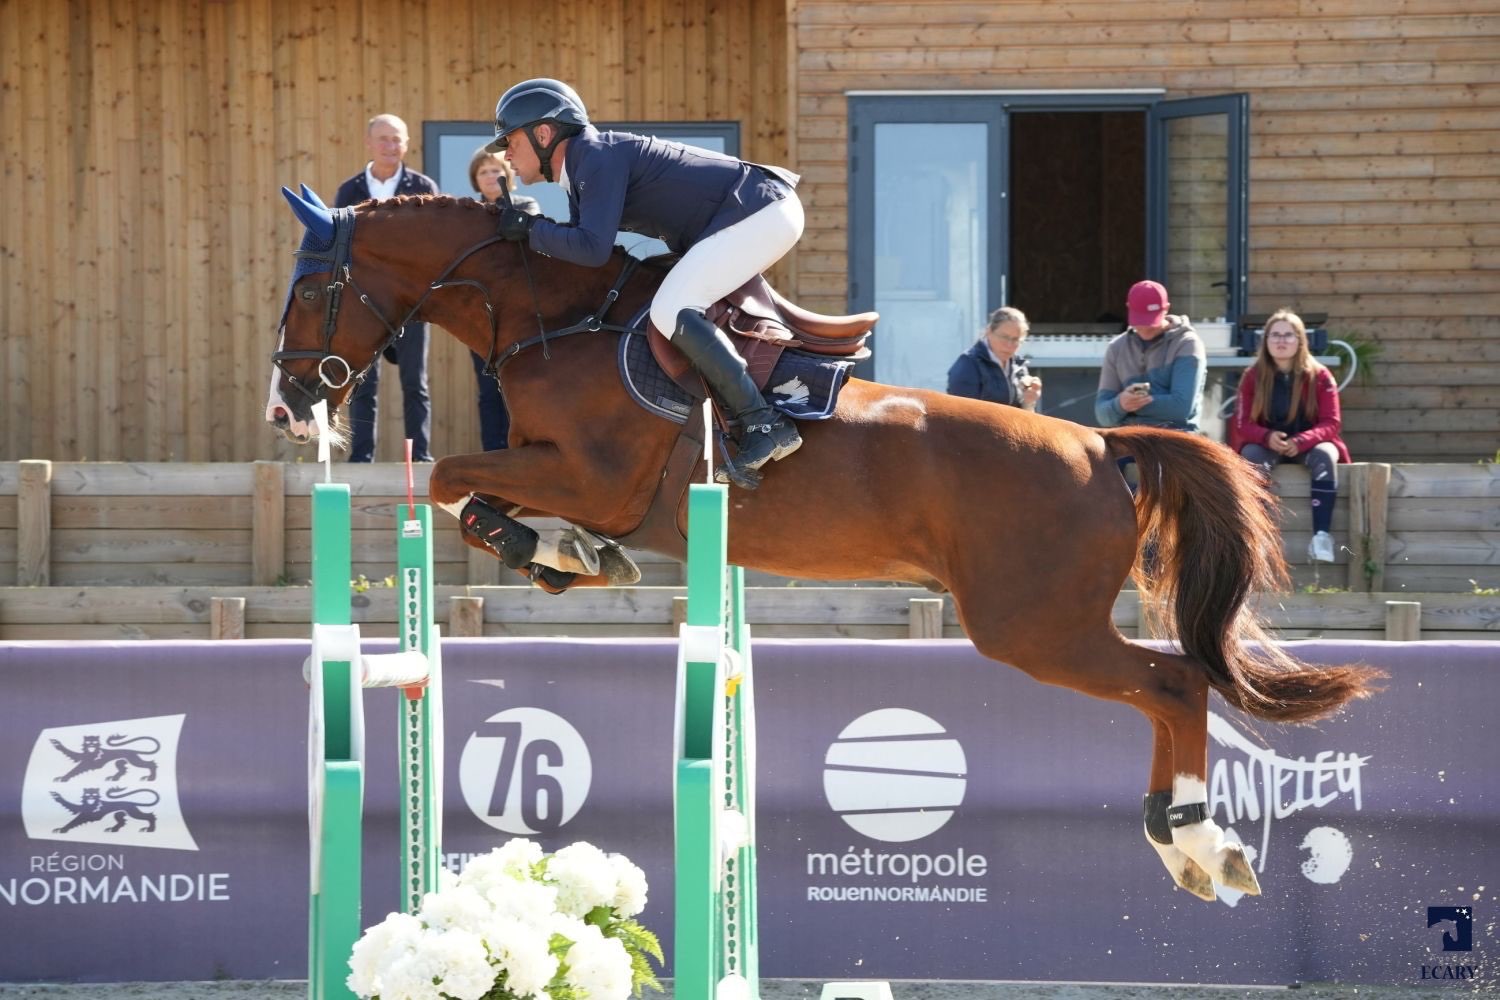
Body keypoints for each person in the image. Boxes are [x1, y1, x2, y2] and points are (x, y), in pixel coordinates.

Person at [485, 78, 803, 489]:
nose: (506, 153)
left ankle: (764, 422)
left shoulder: (593, 157)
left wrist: (530, 229)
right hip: (753, 210)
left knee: (671, 308)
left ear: (543, 134)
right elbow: (586, 253)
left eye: (510, 141)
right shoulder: (586, 165)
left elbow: (591, 248)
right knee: (657, 293)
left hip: (761, 208)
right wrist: (533, 233)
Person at [335, 113, 438, 462]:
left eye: (397, 139)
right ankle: (361, 458)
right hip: (365, 306)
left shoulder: (423, 187)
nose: (390, 146)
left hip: (411, 303)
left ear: (407, 144)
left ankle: (420, 458)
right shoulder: (349, 192)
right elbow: (341, 249)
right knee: (362, 384)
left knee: (415, 384)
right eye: (384, 139)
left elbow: (433, 247)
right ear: (369, 143)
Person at [1230, 309, 1350, 563]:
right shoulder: (1252, 376)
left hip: (1310, 443)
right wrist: (1266, 436)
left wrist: (1302, 441)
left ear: (1300, 340)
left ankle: (1321, 537)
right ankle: (1257, 537)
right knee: (1250, 456)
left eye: (1288, 335)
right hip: (1268, 444)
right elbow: (1242, 424)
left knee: (1326, 455)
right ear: (1266, 341)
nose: (1281, 341)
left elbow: (1332, 423)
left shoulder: (1321, 376)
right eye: (1275, 335)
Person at [466, 147, 540, 451]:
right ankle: (493, 454)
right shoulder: (467, 212)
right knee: (488, 391)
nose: (490, 176)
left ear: (508, 174)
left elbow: (522, 246)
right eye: (483, 171)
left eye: (496, 170)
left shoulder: (526, 204)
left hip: (519, 315)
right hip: (480, 317)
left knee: (520, 387)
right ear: (475, 180)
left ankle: (522, 454)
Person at [1095, 280, 1206, 433]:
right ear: (1128, 309)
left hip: (1177, 436)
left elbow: (1181, 408)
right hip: (1127, 437)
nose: (1146, 329)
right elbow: (1102, 415)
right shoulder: (1116, 348)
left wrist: (1131, 406)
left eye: (1151, 321)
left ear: (1166, 309)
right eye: (1140, 320)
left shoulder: (1187, 344)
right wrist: (1120, 404)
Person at [946, 306, 1042, 411]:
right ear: (989, 331)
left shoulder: (1019, 367)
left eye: (1015, 340)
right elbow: (961, 416)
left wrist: (1028, 402)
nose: (1009, 345)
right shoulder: (969, 364)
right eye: (1004, 337)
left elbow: (1024, 418)